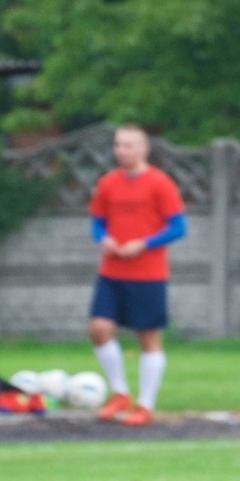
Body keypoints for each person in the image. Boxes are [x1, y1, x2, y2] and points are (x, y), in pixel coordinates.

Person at [87, 124, 187, 427]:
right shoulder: (107, 183)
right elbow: (97, 222)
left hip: (148, 273)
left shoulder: (160, 183)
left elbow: (179, 227)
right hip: (112, 271)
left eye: (129, 145)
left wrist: (144, 244)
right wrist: (103, 239)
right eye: (118, 145)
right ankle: (120, 392)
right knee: (99, 328)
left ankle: (145, 405)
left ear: (144, 149)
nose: (122, 151)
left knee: (148, 337)